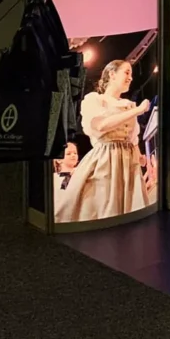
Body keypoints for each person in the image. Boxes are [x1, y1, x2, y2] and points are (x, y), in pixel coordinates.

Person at [56, 60, 151, 222]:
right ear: (112, 75)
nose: (131, 78)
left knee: (131, 208)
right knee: (105, 205)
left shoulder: (128, 104)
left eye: (131, 74)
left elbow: (132, 140)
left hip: (128, 164)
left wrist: (142, 159)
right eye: (126, 72)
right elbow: (101, 125)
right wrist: (138, 110)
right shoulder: (95, 100)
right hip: (106, 159)